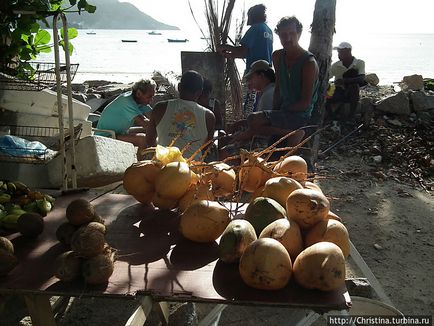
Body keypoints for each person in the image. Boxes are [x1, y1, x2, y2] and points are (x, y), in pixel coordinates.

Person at [230, 16, 319, 147]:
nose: (287, 38)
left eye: (292, 34)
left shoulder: (308, 63)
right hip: (284, 112)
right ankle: (284, 132)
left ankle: (293, 133)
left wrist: (280, 112)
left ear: (299, 34)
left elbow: (305, 103)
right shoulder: (277, 56)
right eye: (283, 35)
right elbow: (278, 88)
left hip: (300, 115)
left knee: (253, 120)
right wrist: (273, 113)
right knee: (254, 121)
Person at [217, 4, 273, 116]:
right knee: (259, 105)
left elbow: (242, 50)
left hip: (255, 74)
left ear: (252, 16)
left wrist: (226, 48)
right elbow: (249, 52)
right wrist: (230, 54)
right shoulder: (268, 30)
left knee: (250, 107)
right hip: (266, 74)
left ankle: (249, 128)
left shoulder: (255, 29)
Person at [146, 70, 216, 160]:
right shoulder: (209, 116)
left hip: (163, 167)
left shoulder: (160, 108)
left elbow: (149, 139)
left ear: (179, 87)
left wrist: (161, 154)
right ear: (199, 92)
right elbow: (206, 147)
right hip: (192, 168)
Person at [96, 79, 156, 158]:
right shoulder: (127, 101)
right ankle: (141, 165)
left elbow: (154, 116)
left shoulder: (139, 100)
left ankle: (152, 157)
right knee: (142, 139)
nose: (151, 100)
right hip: (106, 135)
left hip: (119, 132)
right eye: (149, 97)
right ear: (138, 93)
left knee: (149, 130)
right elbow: (144, 122)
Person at [328, 42, 366, 123]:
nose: (338, 55)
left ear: (348, 51)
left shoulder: (359, 63)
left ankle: (351, 115)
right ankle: (332, 117)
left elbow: (362, 78)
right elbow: (327, 77)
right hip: (339, 90)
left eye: (340, 52)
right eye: (338, 52)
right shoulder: (336, 65)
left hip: (352, 92)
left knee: (354, 86)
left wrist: (344, 81)